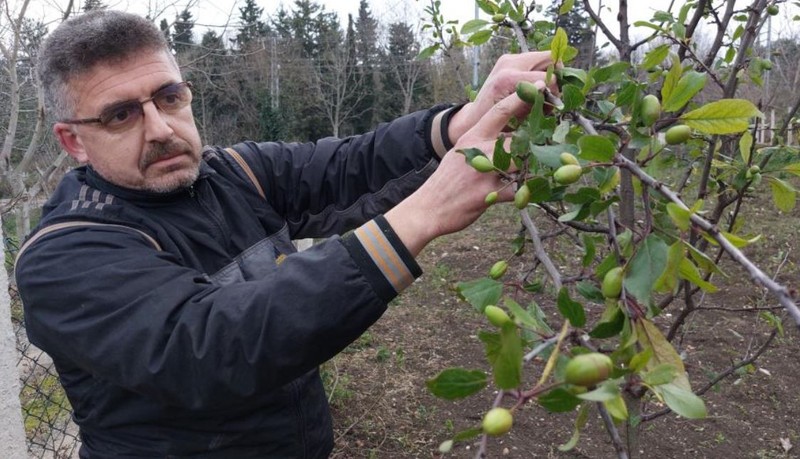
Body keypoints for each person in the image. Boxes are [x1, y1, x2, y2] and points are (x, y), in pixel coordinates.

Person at [16, 9, 555, 458]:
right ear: (73, 143)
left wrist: (462, 124)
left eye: (169, 97)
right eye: (120, 116)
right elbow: (211, 350)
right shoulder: (65, 255)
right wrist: (426, 212)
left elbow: (351, 165)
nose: (160, 128)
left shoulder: (231, 174)